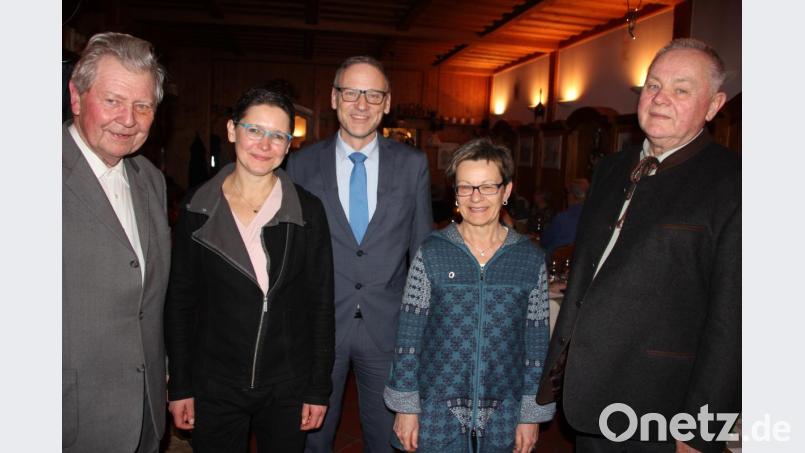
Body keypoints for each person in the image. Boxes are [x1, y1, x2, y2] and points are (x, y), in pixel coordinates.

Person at [537, 38, 740, 453]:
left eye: (682, 90)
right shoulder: (612, 168)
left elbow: (735, 320)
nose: (661, 98)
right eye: (653, 85)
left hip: (662, 408)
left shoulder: (735, 182)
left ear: (714, 105)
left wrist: (702, 430)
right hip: (587, 393)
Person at [165, 88, 335, 452]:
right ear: (232, 130)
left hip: (286, 383)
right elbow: (180, 302)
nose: (265, 144)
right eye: (254, 130)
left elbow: (320, 304)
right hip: (215, 382)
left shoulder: (309, 211)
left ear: (289, 145)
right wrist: (180, 385)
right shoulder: (197, 207)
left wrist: (318, 387)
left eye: (278, 135)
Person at [286, 55, 433, 452]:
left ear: (387, 103)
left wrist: (419, 334)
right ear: (334, 98)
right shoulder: (299, 165)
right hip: (319, 330)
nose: (361, 104)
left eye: (373, 94)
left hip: (388, 331)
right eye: (351, 92)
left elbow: (421, 254)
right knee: (310, 441)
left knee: (389, 442)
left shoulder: (413, 165)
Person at [384, 138, 555, 453]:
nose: (476, 198)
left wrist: (531, 414)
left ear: (506, 191)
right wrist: (406, 407)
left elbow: (537, 345)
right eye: (466, 187)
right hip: (436, 407)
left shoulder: (529, 259)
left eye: (488, 187)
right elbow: (409, 336)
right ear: (456, 194)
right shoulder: (432, 252)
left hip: (505, 407)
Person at [63, 32, 170, 452]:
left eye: (143, 106)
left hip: (144, 415)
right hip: (71, 418)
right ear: (76, 96)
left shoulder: (151, 181)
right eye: (113, 101)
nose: (128, 119)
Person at [540, 178, 589, 261]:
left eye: (568, 193)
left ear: (573, 196)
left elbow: (544, 241)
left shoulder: (562, 218)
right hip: (580, 263)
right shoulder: (592, 217)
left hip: (555, 263)